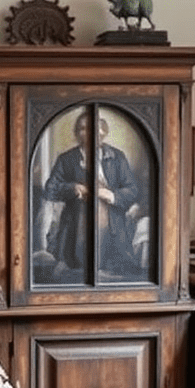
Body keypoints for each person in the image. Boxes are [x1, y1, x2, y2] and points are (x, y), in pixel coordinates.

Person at [42, 109, 142, 278]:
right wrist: (73, 188)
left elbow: (132, 190)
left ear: (103, 132)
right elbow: (50, 189)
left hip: (112, 226)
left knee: (116, 273)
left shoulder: (117, 157)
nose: (88, 133)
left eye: (93, 129)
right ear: (76, 133)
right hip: (76, 226)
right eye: (82, 129)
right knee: (76, 273)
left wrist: (110, 195)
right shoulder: (66, 159)